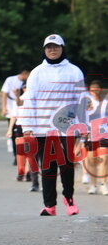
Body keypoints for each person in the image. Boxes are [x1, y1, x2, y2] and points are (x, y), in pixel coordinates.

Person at [18, 34, 86, 216]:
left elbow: (81, 100)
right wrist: (27, 127)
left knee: (67, 165)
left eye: (56, 47)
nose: (52, 50)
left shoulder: (74, 71)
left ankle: (69, 198)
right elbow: (29, 100)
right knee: (47, 167)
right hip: (42, 127)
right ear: (44, 50)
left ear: (62, 48)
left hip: (67, 126)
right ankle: (49, 205)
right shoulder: (37, 72)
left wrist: (83, 126)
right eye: (49, 47)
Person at [7, 81, 39, 191]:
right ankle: (24, 174)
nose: (26, 89)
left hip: (35, 128)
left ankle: (28, 174)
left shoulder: (37, 98)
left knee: (31, 154)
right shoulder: (22, 98)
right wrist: (10, 129)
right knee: (23, 153)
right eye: (25, 87)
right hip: (22, 127)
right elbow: (15, 111)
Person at [1, 68, 30, 165]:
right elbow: (4, 93)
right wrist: (4, 107)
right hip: (12, 111)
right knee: (15, 136)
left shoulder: (30, 83)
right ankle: (17, 156)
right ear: (25, 72)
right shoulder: (10, 80)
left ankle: (26, 158)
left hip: (26, 117)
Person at [84, 78, 108, 195]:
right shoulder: (86, 103)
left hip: (104, 134)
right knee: (92, 161)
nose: (95, 91)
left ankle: (103, 184)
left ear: (100, 90)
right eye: (92, 89)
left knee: (104, 159)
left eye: (97, 89)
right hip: (90, 135)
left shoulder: (105, 103)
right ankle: (93, 185)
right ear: (89, 91)